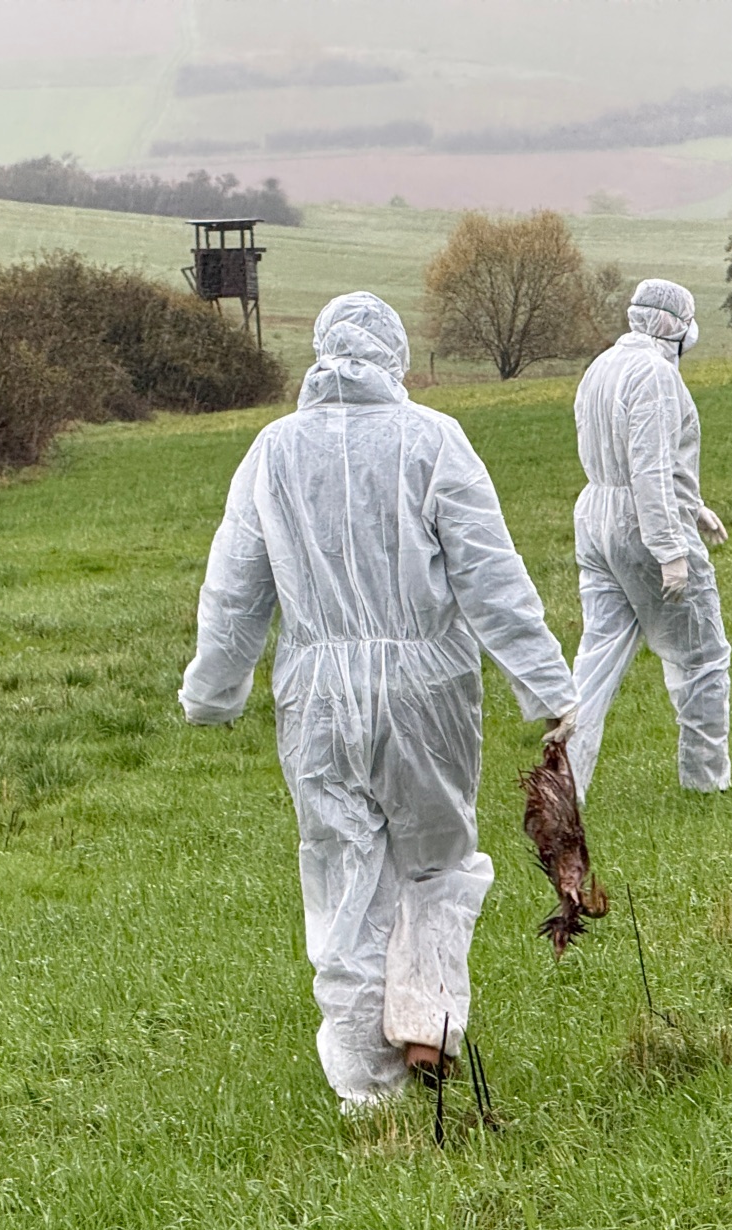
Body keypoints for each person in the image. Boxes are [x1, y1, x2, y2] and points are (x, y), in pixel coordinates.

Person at [180, 292, 578, 1110]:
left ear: (321, 357)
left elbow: (234, 590)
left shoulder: (273, 451)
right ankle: (428, 1021)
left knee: (345, 876)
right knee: (436, 862)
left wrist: (213, 693)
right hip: (427, 689)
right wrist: (548, 689)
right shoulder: (432, 440)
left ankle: (368, 1087)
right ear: (392, 360)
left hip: (317, 696)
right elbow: (490, 577)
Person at [565, 278, 731, 799]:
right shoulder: (656, 375)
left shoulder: (602, 366)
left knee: (594, 662)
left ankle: (563, 785)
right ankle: (706, 784)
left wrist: (693, 505)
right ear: (675, 325)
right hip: (643, 526)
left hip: (597, 523)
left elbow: (621, 457)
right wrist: (672, 550)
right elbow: (650, 466)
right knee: (702, 657)